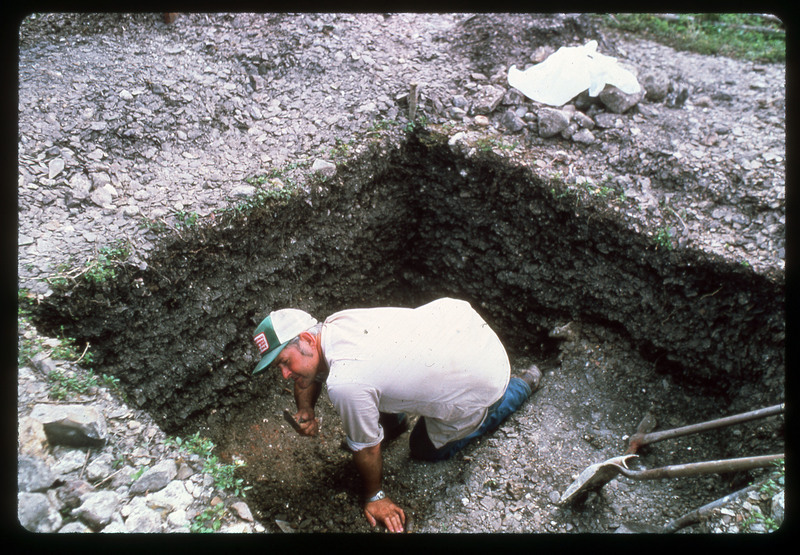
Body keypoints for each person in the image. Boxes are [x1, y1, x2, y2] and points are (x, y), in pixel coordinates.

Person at [251, 297, 542, 533]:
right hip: (458, 325)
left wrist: (375, 496)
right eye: (280, 367)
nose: (286, 374)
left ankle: (515, 389)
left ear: (306, 338)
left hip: (480, 373)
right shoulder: (334, 327)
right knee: (373, 385)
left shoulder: (346, 382)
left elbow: (367, 448)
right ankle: (397, 420)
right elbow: (309, 374)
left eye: (285, 362)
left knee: (424, 449)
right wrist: (306, 408)